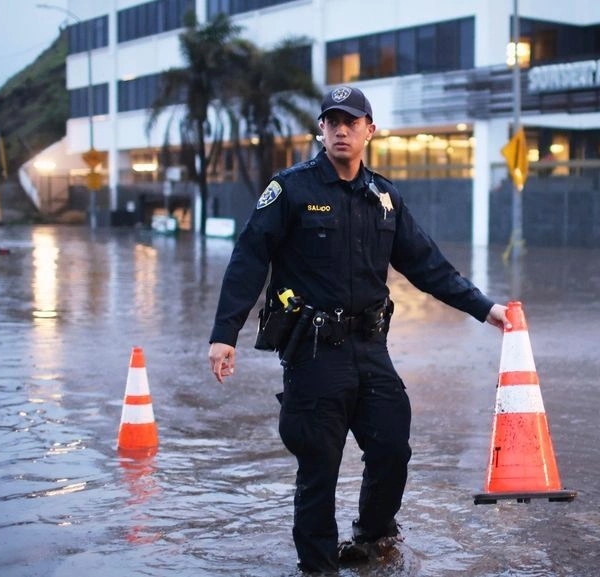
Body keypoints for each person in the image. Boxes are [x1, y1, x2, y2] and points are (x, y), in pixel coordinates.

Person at [207, 85, 509, 574]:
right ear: (321, 130)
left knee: (392, 446)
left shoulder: (384, 198)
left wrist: (484, 308)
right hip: (313, 354)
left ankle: (370, 540)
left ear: (370, 130)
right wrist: (225, 333)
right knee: (318, 468)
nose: (341, 130)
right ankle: (319, 566)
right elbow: (248, 259)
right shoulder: (291, 190)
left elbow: (428, 266)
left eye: (352, 121)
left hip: (370, 350)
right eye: (332, 121)